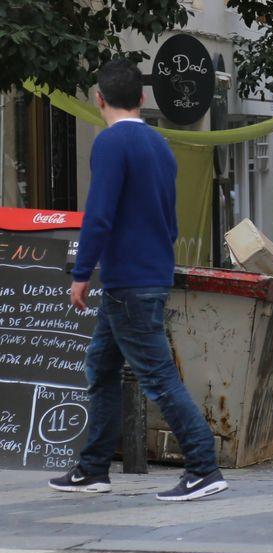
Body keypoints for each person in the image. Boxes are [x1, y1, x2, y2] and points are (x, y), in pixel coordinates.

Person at [51, 58, 227, 501]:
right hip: (147, 274)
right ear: (143, 98)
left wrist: (80, 274)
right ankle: (93, 468)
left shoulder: (111, 144)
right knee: (103, 367)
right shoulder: (159, 144)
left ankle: (204, 467)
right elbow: (169, 219)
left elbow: (99, 215)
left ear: (99, 99)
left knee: (157, 377)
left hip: (126, 281)